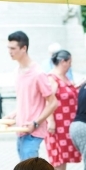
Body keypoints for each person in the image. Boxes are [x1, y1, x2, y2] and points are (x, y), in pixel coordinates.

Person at [6, 31, 58, 161]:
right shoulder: (17, 72)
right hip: (21, 130)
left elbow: (53, 103)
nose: (10, 52)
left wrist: (36, 123)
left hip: (33, 132)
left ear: (24, 48)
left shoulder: (38, 73)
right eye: (8, 48)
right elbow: (28, 101)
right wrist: (13, 114)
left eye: (13, 48)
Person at [44, 49, 80, 170]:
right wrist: (50, 120)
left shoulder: (65, 78)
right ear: (63, 61)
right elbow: (48, 101)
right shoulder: (52, 78)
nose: (70, 64)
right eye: (69, 61)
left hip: (67, 123)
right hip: (58, 123)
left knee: (63, 157)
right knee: (57, 157)